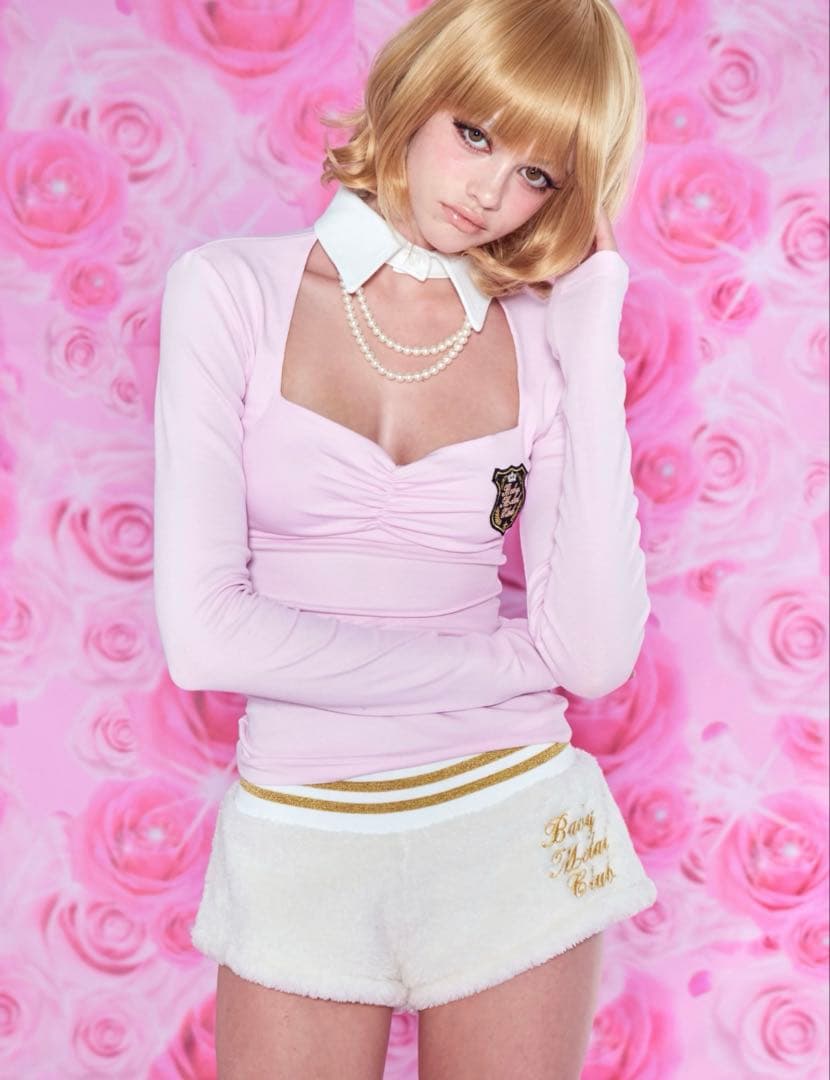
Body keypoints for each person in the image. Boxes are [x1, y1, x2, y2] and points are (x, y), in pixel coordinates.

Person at [152, 0, 657, 1075]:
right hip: (300, 822)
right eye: (475, 133)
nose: (490, 193)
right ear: (418, 93)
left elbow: (594, 655)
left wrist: (590, 348)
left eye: (537, 174)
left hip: (511, 812)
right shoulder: (230, 289)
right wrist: (498, 665)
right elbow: (205, 639)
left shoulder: (542, 337)